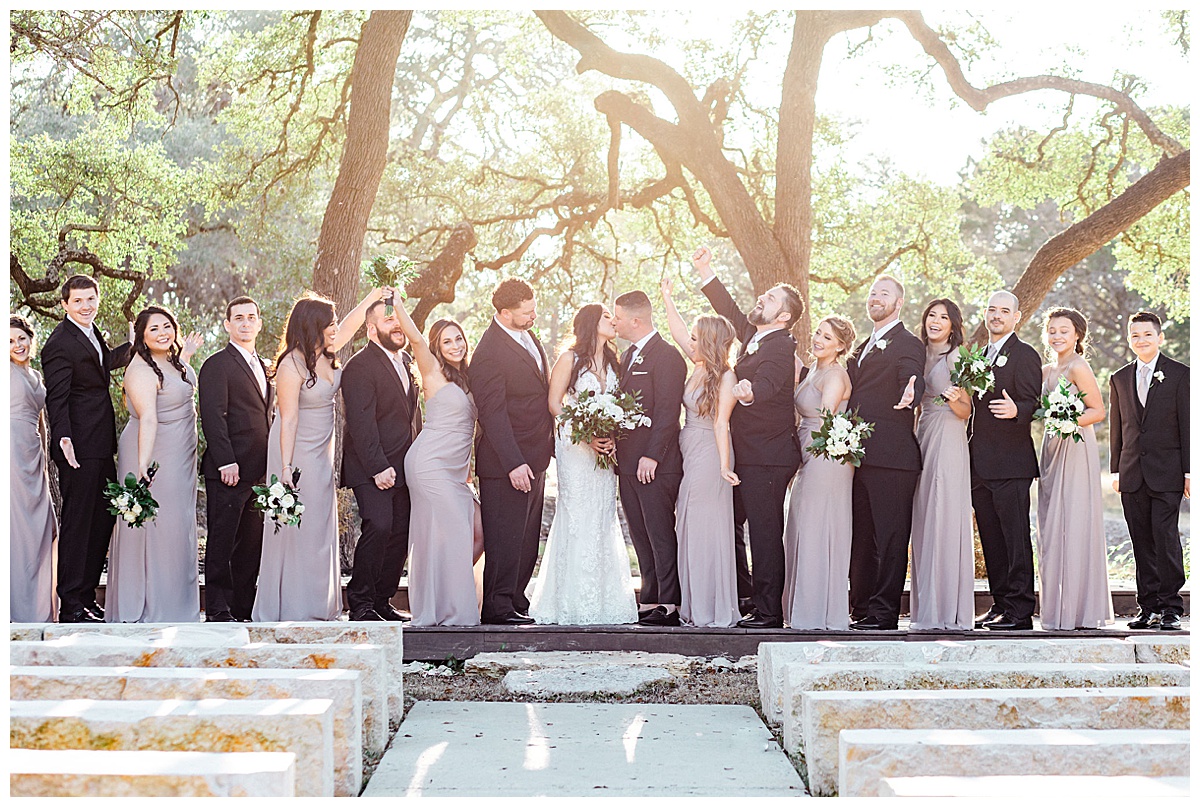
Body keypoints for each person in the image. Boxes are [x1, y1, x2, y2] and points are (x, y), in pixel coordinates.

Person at [252, 287, 385, 622]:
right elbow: (288, 419)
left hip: (322, 454)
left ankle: (318, 603)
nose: (336, 327)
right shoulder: (291, 365)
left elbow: (351, 324)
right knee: (299, 526)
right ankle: (292, 605)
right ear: (313, 325)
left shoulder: (327, 353)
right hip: (295, 451)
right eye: (330, 323)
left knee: (319, 525)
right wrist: (285, 468)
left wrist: (372, 297)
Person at [693, 246, 804, 629]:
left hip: (769, 456)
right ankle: (747, 596)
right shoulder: (754, 336)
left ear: (784, 316)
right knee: (732, 524)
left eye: (771, 298)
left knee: (765, 533)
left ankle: (769, 612)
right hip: (748, 454)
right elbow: (727, 307)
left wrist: (750, 392)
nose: (762, 298)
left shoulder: (782, 345)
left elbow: (770, 384)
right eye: (764, 294)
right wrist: (705, 270)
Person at [528, 304, 639, 625]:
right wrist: (586, 434)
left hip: (604, 453)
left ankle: (605, 601)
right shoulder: (570, 359)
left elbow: (620, 406)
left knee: (603, 515)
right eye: (607, 316)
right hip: (575, 448)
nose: (614, 321)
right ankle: (570, 601)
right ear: (591, 322)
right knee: (577, 515)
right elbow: (554, 403)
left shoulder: (616, 362)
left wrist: (611, 435)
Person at [40, 275, 132, 623]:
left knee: (102, 519)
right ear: (65, 304)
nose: (86, 306)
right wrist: (63, 439)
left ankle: (87, 596)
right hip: (77, 448)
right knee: (79, 523)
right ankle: (71, 604)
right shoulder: (59, 343)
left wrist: (133, 345)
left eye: (90, 299)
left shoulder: (90, 332)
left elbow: (101, 364)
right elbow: (57, 397)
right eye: (78, 301)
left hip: (100, 442)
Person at [106, 305, 203, 623]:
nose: (163, 333)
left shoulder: (172, 361)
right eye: (154, 329)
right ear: (142, 336)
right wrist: (144, 466)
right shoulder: (140, 369)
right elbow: (148, 418)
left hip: (181, 455)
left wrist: (186, 356)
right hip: (153, 453)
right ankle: (149, 607)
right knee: (156, 524)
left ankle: (177, 603)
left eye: (167, 326)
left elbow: (176, 388)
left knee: (177, 525)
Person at [472, 279, 554, 625]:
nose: (533, 316)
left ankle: (516, 599)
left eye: (534, 309)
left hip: (535, 456)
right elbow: (493, 414)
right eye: (526, 312)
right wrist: (514, 463)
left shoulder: (528, 336)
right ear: (505, 313)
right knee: (505, 537)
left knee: (525, 539)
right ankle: (498, 606)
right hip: (507, 463)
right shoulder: (488, 353)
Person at [660, 280, 742, 628]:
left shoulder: (726, 377)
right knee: (689, 525)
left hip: (711, 454)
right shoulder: (698, 365)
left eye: (695, 339)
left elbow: (722, 424)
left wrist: (723, 466)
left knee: (705, 528)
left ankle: (711, 609)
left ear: (708, 342)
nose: (689, 343)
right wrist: (667, 298)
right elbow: (677, 330)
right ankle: (694, 607)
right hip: (690, 450)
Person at [846, 274, 924, 631]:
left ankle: (884, 613)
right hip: (859, 457)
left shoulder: (908, 343)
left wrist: (911, 391)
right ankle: (861, 607)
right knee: (862, 537)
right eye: (873, 292)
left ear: (898, 303)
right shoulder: (862, 346)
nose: (876, 297)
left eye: (885, 293)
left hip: (893, 458)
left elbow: (912, 374)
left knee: (891, 538)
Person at [394, 309, 480, 627]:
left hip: (455, 470)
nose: (456, 345)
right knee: (453, 532)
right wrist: (396, 303)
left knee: (478, 532)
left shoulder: (467, 377)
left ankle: (446, 593)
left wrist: (468, 471)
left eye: (459, 339)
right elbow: (416, 339)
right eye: (447, 341)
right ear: (437, 347)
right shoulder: (432, 371)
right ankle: (443, 607)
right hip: (429, 464)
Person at [341, 299, 423, 622]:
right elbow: (361, 423)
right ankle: (360, 602)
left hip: (405, 466)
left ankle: (382, 599)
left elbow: (412, 418)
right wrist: (378, 467)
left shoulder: (407, 362)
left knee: (401, 531)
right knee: (379, 525)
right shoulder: (359, 366)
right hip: (370, 465)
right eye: (388, 320)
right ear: (371, 328)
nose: (397, 324)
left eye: (398, 318)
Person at [611, 290, 688, 626]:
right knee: (640, 535)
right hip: (627, 463)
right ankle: (650, 598)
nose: (614, 323)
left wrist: (652, 456)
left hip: (655, 464)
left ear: (635, 320)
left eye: (618, 317)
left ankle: (670, 603)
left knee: (660, 534)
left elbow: (668, 413)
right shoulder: (627, 356)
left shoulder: (667, 356)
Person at [1109, 311, 1189, 631]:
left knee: (1165, 538)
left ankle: (1171, 607)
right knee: (1140, 541)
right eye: (1135, 335)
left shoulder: (1181, 374)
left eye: (1147, 334)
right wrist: (1115, 470)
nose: (1140, 340)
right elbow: (1118, 428)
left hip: (1168, 472)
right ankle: (1148, 607)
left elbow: (1188, 425)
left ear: (1160, 338)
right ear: (1129, 339)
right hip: (1131, 473)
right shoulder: (1119, 378)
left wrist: (1189, 472)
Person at [970, 291, 1042, 632]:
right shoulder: (978, 355)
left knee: (1015, 540)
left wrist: (1017, 410)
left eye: (1004, 311)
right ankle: (1000, 605)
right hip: (979, 465)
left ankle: (1020, 611)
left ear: (1016, 317)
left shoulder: (1025, 354)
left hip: (1011, 464)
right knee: (992, 541)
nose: (996, 315)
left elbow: (1034, 402)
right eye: (992, 310)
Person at [198, 297, 273, 622]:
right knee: (222, 540)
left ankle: (242, 607)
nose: (245, 323)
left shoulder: (266, 366)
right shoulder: (217, 364)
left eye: (251, 317)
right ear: (228, 324)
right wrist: (226, 460)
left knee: (250, 544)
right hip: (229, 469)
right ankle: (217, 607)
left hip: (259, 471)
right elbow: (213, 417)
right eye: (239, 318)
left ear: (259, 323)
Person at [1037, 308, 1112, 631]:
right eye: (1052, 330)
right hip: (1052, 448)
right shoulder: (1046, 370)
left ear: (1077, 335)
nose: (1057, 336)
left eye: (1064, 330)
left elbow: (1098, 410)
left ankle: (1079, 611)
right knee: (1051, 525)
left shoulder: (1078, 366)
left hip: (1076, 446)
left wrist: (1065, 420)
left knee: (1074, 521)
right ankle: (1056, 609)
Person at [782, 315, 856, 630]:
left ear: (840, 346)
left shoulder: (836, 375)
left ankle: (817, 612)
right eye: (818, 333)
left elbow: (826, 421)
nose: (818, 340)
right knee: (800, 526)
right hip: (807, 451)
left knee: (817, 528)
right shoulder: (813, 368)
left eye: (827, 338)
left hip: (826, 455)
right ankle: (800, 607)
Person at [908, 299, 974, 631]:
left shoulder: (958, 356)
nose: (935, 321)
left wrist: (954, 398)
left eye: (943, 317)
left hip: (948, 434)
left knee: (943, 511)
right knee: (924, 515)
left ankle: (947, 608)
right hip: (923, 433)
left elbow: (966, 411)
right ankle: (926, 608)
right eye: (931, 315)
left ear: (953, 325)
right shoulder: (917, 353)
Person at [10, 315, 56, 623]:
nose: (17, 345)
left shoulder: (35, 374)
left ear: (30, 338)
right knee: (17, 526)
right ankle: (15, 606)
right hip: (11, 449)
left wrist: (45, 458)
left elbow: (41, 421)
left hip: (34, 453)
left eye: (21, 338)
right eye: (10, 341)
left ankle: (38, 608)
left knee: (42, 526)